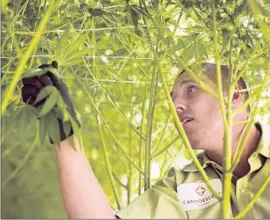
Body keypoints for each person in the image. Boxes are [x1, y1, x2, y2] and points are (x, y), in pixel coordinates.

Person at [21, 62, 270, 218]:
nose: (175, 106)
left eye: (191, 89)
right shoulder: (180, 186)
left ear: (235, 97)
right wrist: (64, 135)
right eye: (171, 99)